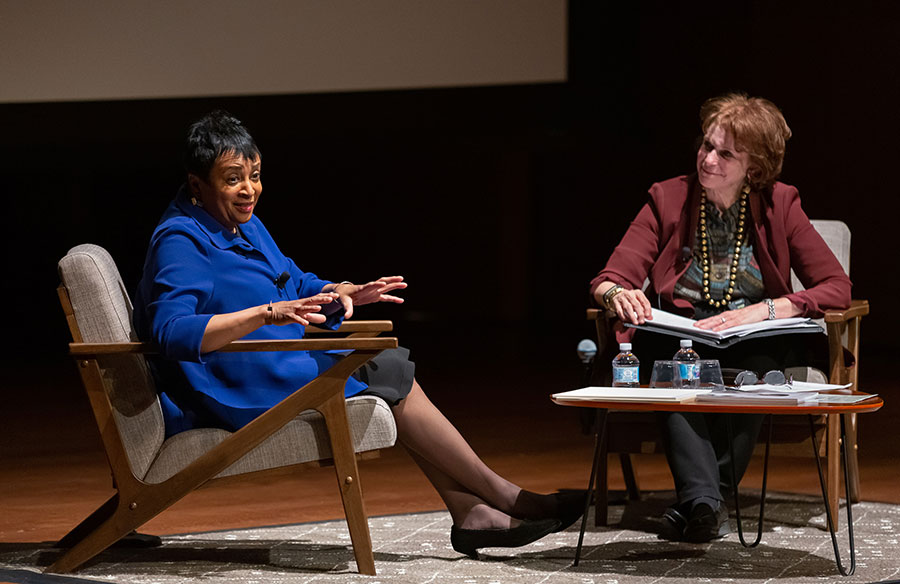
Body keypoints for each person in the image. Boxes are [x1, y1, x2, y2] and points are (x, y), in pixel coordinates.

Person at [134, 110, 582, 559]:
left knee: (384, 365)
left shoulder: (243, 223)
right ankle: (501, 498)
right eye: (233, 179)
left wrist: (341, 291)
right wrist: (266, 314)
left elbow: (292, 280)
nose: (249, 189)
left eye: (254, 175)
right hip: (234, 383)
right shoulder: (181, 239)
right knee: (384, 367)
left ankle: (474, 512)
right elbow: (171, 331)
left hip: (269, 364)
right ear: (197, 185)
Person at [589, 93, 851, 542]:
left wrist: (767, 308)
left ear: (755, 166)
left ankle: (699, 503)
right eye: (706, 145)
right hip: (682, 334)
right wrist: (617, 294)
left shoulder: (781, 203)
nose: (707, 158)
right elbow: (611, 275)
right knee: (672, 367)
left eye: (724, 153)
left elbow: (836, 287)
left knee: (758, 367)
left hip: (753, 336)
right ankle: (708, 502)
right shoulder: (668, 197)